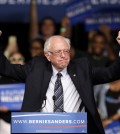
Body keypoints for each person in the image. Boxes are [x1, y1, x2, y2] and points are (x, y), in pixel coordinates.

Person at [0, 33, 120, 134]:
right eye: (58, 52)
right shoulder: (36, 68)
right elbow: (5, 68)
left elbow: (112, 73)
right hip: (41, 130)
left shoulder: (82, 68)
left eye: (66, 51)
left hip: (76, 130)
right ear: (48, 55)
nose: (63, 55)